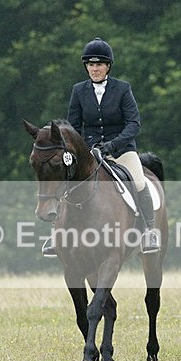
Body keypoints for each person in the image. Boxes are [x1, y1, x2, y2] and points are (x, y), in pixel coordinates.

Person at [42, 36, 159, 257]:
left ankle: (149, 232)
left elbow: (134, 123)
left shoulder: (123, 89)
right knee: (64, 181)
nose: (95, 69)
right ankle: (55, 234)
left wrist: (113, 145)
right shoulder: (78, 90)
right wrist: (83, 148)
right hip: (89, 152)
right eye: (91, 64)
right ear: (86, 67)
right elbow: (73, 126)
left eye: (99, 64)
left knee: (139, 182)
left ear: (108, 66)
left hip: (122, 150)